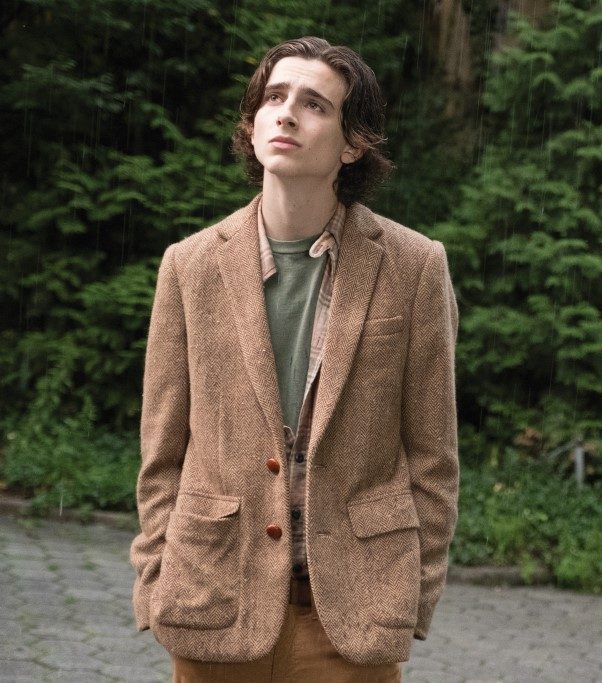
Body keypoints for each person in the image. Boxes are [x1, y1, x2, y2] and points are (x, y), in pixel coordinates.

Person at [128, 36, 460, 682]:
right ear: (252, 124)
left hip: (354, 617)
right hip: (213, 604)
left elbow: (433, 457)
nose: (286, 114)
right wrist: (157, 581)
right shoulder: (189, 267)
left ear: (352, 143)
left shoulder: (415, 267)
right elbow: (161, 453)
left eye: (314, 104)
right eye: (274, 98)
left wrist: (411, 598)